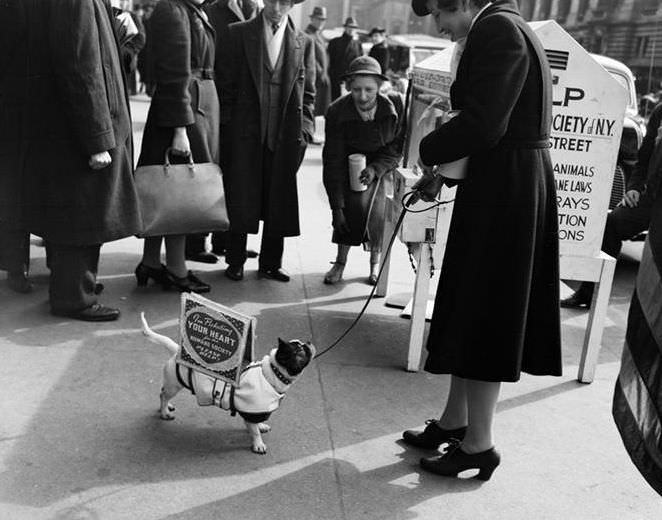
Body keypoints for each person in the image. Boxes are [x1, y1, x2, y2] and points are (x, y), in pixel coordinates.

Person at [401, 0, 562, 480]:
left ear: (465, 2)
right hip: (503, 184)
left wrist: (428, 149)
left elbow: (483, 124)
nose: (439, 27)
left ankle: (479, 443)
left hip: (506, 190)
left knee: (488, 312)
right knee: (472, 307)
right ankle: (456, 421)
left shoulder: (497, 31)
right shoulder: (504, 26)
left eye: (440, 14)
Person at [17, 0, 142, 321]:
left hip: (66, 126)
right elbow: (80, 65)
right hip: (79, 130)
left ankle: (70, 285)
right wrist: (97, 138)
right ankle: (74, 297)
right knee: (84, 214)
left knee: (74, 212)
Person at [218, 0, 315, 283]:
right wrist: (226, 129)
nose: (276, 8)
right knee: (241, 194)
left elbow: (308, 93)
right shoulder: (238, 33)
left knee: (279, 197)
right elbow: (224, 85)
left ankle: (271, 263)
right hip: (244, 132)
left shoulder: (302, 42)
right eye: (271, 0)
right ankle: (234, 260)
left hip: (285, 134)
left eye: (284, 2)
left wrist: (305, 131)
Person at [135, 0, 219, 293]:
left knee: (165, 191)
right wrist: (180, 129)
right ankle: (176, 269)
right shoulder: (173, 11)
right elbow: (173, 75)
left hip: (192, 107)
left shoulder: (187, 9)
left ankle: (150, 263)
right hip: (183, 111)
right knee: (180, 193)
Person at [562, 102, 662, 309]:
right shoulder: (660, 111)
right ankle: (588, 294)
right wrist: (633, 187)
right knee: (612, 223)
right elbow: (642, 158)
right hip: (651, 195)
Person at [184, 0, 262, 264]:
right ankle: (195, 243)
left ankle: (225, 241)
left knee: (234, 180)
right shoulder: (212, 9)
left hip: (243, 112)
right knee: (206, 174)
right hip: (215, 102)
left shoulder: (257, 9)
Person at [322, 56, 404, 285]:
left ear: (379, 87)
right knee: (351, 210)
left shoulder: (395, 105)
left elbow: (397, 146)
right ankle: (340, 263)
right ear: (348, 87)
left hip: (383, 162)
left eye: (369, 89)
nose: (363, 96)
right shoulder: (337, 111)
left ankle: (374, 265)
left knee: (379, 212)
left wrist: (376, 168)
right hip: (351, 162)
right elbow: (332, 161)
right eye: (356, 89)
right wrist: (335, 207)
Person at [305, 6, 331, 120]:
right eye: (318, 19)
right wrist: (320, 72)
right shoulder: (307, 34)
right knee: (311, 108)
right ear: (312, 19)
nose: (321, 22)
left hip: (321, 78)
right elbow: (310, 58)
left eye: (323, 20)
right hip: (314, 78)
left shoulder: (319, 35)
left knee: (318, 110)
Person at [327, 17, 363, 101]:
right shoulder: (334, 42)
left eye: (353, 28)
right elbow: (330, 62)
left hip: (352, 81)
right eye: (349, 27)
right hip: (336, 80)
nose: (351, 29)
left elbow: (360, 63)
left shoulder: (358, 44)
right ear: (345, 27)